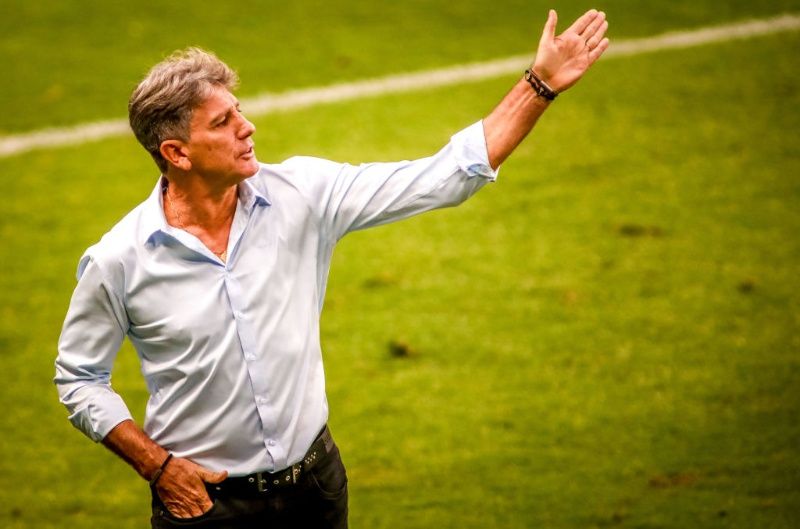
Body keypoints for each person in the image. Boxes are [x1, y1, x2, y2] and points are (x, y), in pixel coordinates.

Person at [55, 9, 608, 529]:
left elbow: (446, 176)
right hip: (204, 506)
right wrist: (156, 466)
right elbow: (80, 378)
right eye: (223, 122)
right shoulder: (119, 259)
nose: (247, 127)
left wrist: (539, 84)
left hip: (314, 490)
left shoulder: (303, 195)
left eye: (239, 110)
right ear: (177, 153)